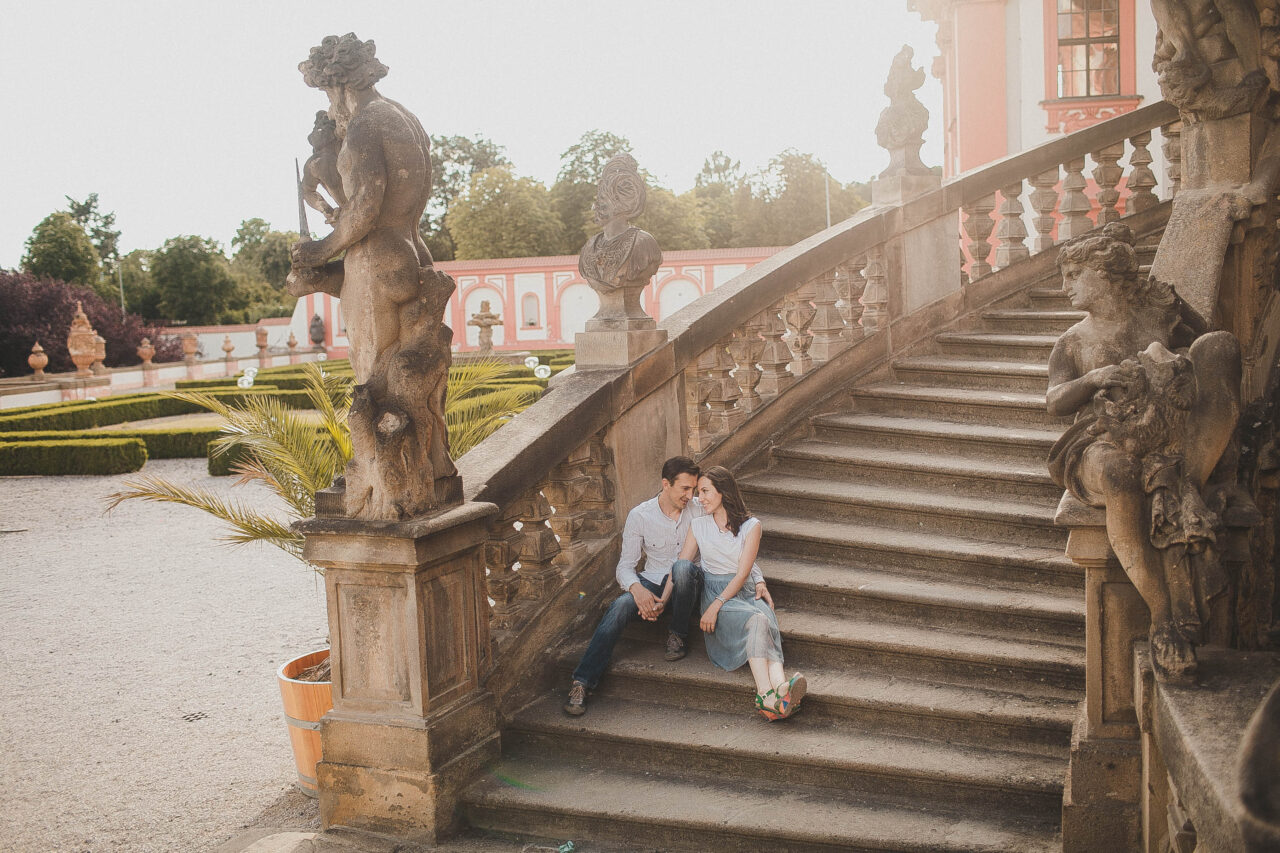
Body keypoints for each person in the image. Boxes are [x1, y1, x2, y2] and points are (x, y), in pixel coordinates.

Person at [1047, 222, 1240, 683]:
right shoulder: (1073, 341)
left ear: (1107, 274)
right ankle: (1162, 617)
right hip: (1095, 440)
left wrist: (1170, 360)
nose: (1065, 286)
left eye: (1075, 274)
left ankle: (1179, 600)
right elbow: (1054, 401)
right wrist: (1094, 380)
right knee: (1119, 475)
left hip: (1159, 432)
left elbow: (1213, 344)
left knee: (1171, 477)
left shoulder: (1158, 315)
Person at [564, 456, 773, 716]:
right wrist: (637, 590)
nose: (692, 495)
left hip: (691, 584)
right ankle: (582, 682)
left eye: (694, 489)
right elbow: (625, 566)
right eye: (685, 488)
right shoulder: (639, 515)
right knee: (619, 607)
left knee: (683, 568)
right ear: (666, 484)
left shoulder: (700, 508)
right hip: (651, 581)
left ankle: (677, 635)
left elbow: (735, 546)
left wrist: (758, 579)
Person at [670, 466, 805, 720]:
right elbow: (681, 564)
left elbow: (743, 571)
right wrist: (663, 598)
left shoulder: (751, 526)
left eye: (706, 491)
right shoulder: (698, 525)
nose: (701, 498)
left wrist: (758, 581)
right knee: (758, 619)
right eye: (699, 492)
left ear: (724, 491)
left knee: (765, 619)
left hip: (742, 591)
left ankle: (780, 689)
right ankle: (767, 694)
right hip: (715, 592)